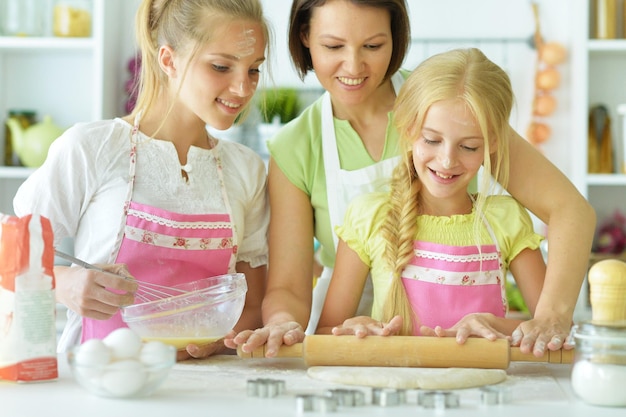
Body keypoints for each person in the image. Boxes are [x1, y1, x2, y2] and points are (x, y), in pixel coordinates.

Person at [225, 0, 595, 358]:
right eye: (333, 45)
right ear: (305, 36)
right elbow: (289, 286)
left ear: (395, 36)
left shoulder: (448, 104)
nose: (353, 65)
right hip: (356, 341)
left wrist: (549, 318)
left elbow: (570, 211)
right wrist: (282, 323)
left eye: (373, 45)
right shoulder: (295, 146)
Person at [13, 0, 271, 360]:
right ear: (169, 60)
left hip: (210, 389)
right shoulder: (94, 148)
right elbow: (9, 252)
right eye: (221, 66)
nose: (243, 88)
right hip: (102, 382)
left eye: (254, 69)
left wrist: (221, 338)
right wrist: (63, 283)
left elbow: (253, 308)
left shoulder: (246, 169)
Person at [317, 48, 547, 342]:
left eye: (469, 146)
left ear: (492, 143)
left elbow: (549, 329)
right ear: (409, 129)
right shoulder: (370, 215)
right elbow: (325, 333)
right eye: (432, 140)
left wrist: (496, 326)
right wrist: (353, 331)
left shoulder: (506, 218)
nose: (447, 160)